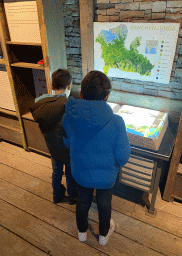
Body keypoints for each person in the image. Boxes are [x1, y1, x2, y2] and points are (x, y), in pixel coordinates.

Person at [62, 70, 131, 246]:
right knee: (104, 203)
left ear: (81, 94)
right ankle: (103, 236)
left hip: (81, 172)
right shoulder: (117, 122)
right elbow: (123, 157)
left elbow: (68, 142)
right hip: (106, 177)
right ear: (107, 96)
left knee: (82, 201)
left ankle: (82, 233)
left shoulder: (69, 117)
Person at [30, 69, 77, 205]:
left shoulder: (41, 103)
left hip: (52, 147)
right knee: (69, 173)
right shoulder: (69, 105)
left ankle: (56, 196)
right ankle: (72, 197)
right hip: (67, 148)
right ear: (69, 86)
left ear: (51, 86)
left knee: (56, 172)